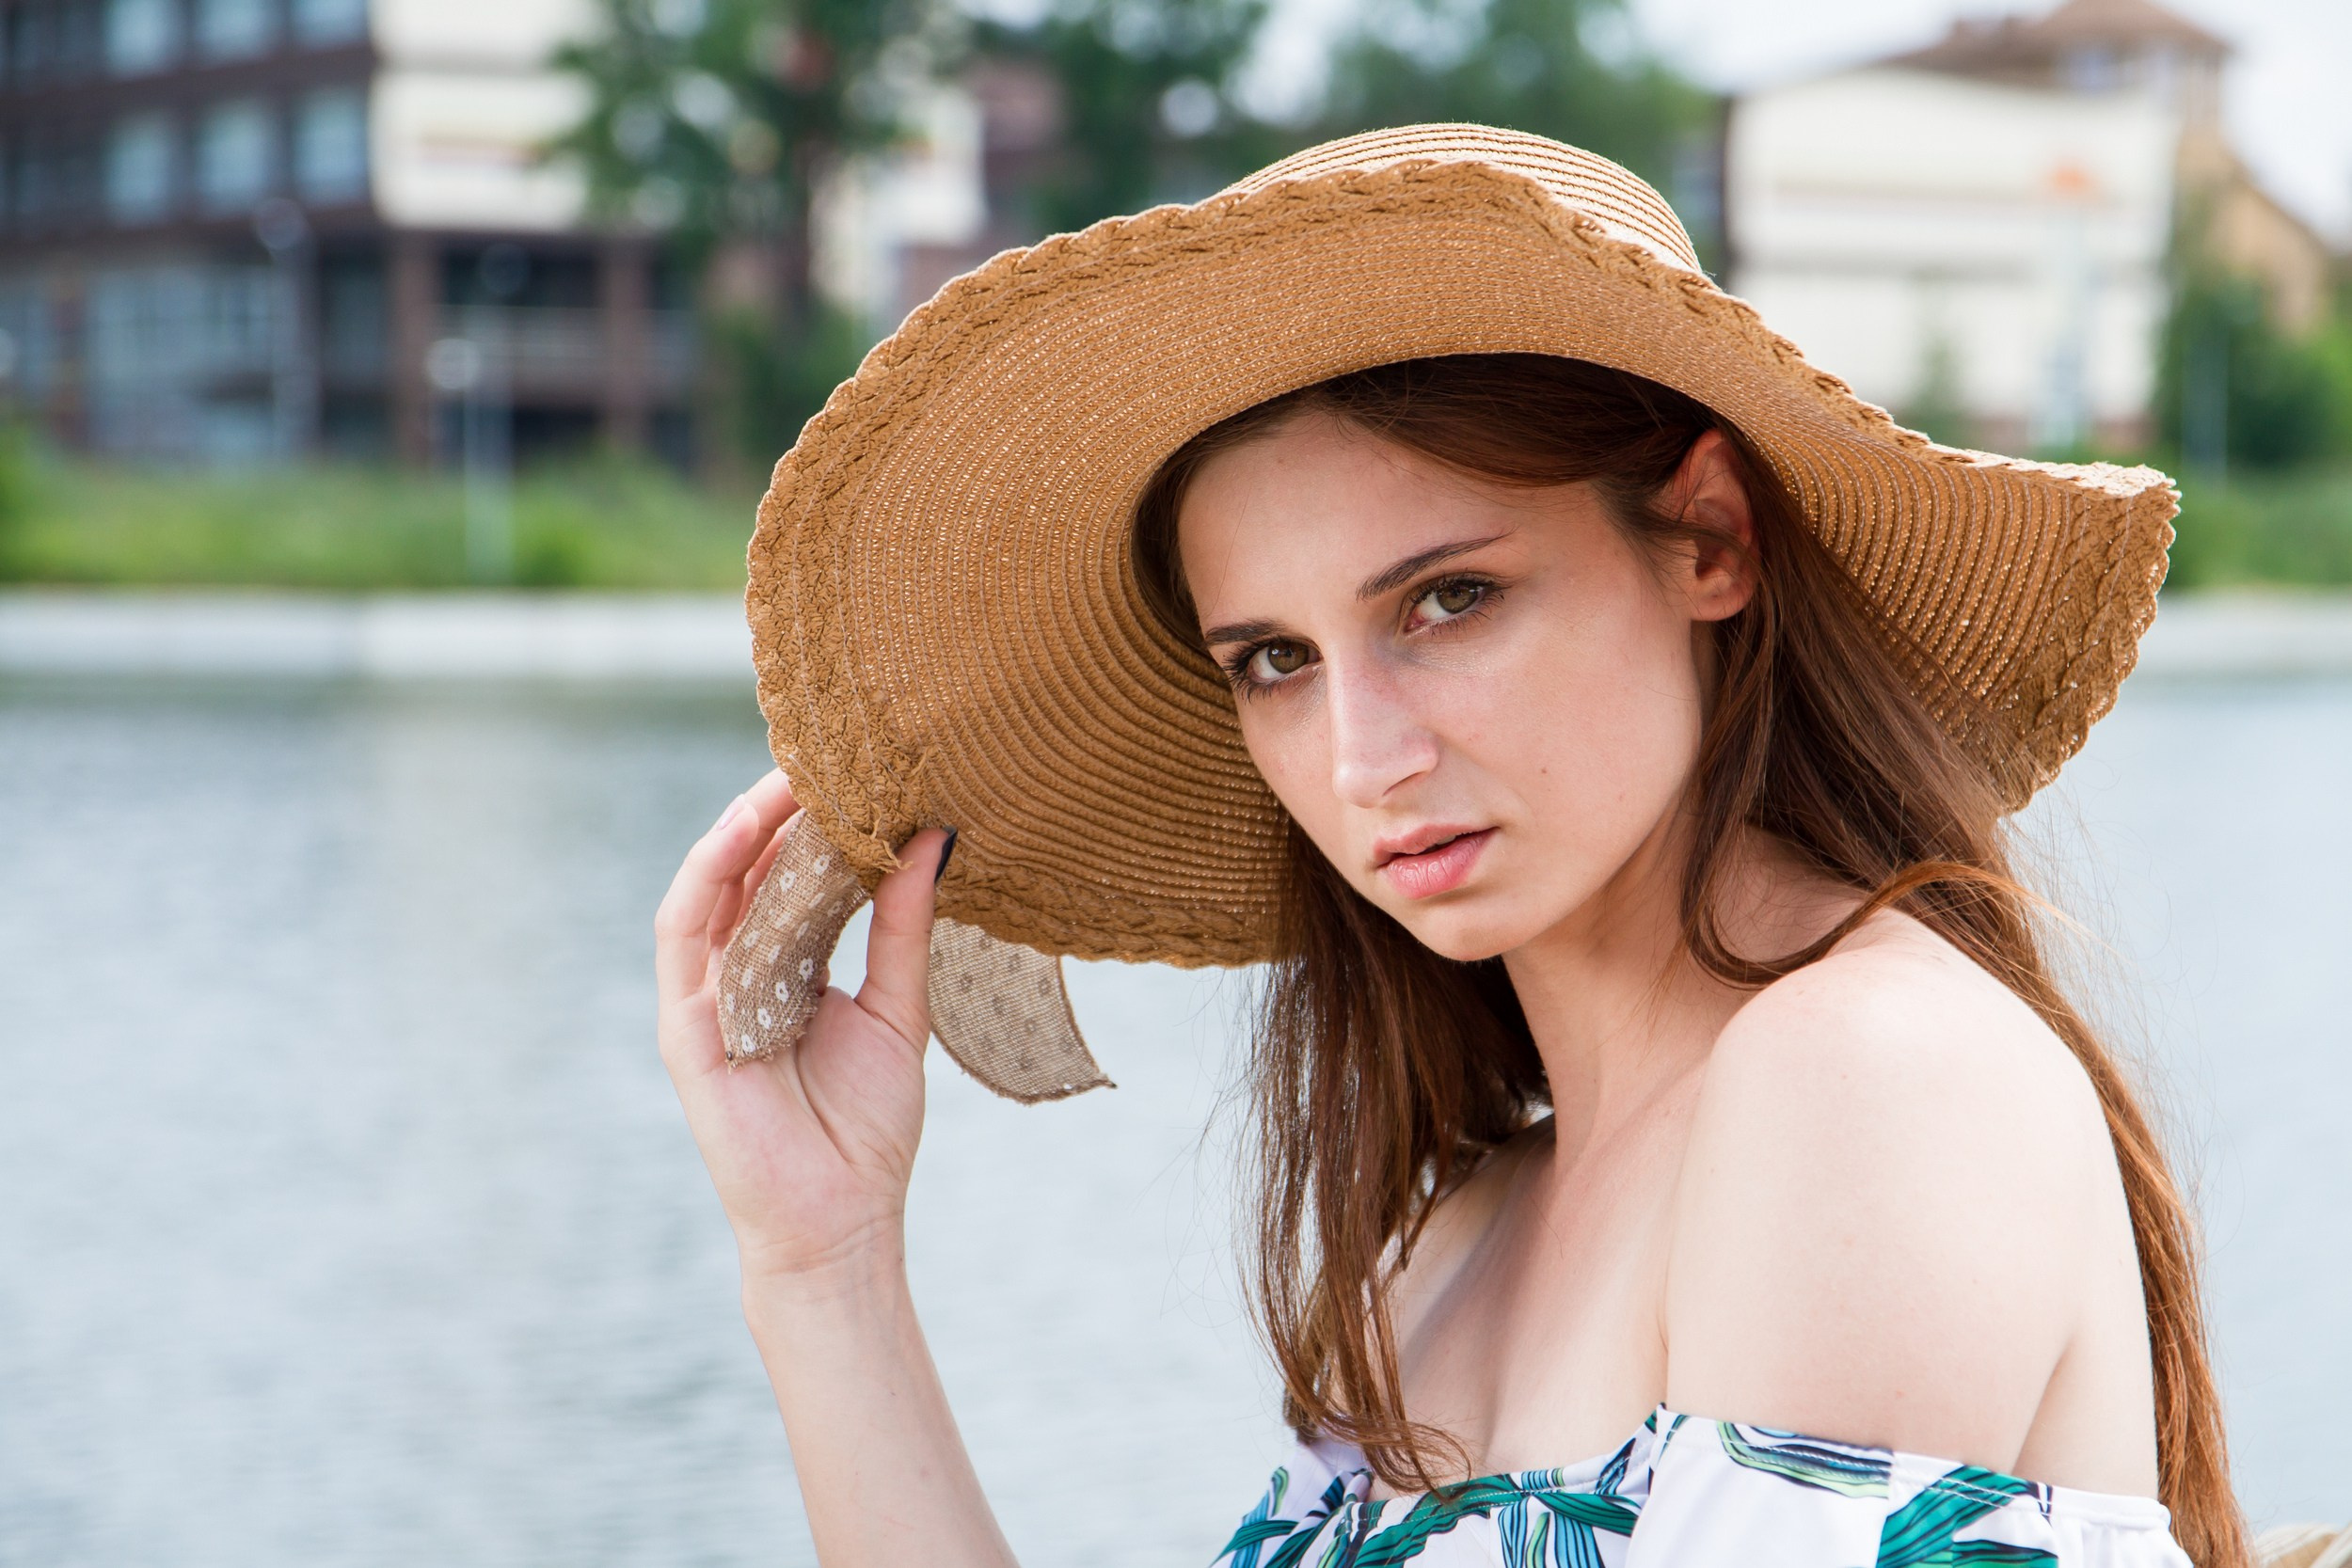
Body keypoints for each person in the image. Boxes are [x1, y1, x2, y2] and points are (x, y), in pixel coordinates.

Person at [651, 128, 2245, 1568]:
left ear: (1710, 538)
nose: (1363, 761)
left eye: (1447, 599)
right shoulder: (1452, 1236)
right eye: (1274, 659)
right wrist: (823, 1264)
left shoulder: (1868, 1073)